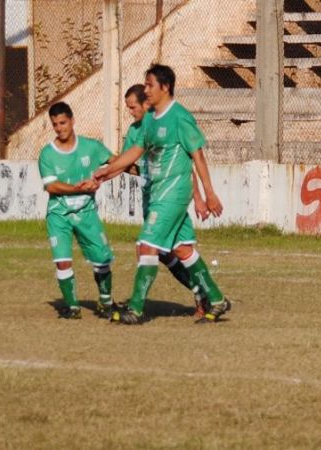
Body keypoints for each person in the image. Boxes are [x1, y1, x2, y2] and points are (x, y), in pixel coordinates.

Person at [95, 64, 229, 325]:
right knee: (182, 250)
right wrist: (105, 173)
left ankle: (135, 308)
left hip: (174, 192)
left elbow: (197, 155)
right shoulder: (150, 119)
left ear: (165, 87)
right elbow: (135, 152)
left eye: (149, 85)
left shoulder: (180, 117)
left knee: (146, 245)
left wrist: (209, 194)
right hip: (157, 192)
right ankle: (215, 298)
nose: (145, 90)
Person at [123, 83, 210, 318]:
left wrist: (200, 198)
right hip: (150, 199)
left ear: (146, 103)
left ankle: (138, 307)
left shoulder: (166, 124)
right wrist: (114, 166)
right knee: (171, 251)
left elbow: (184, 166)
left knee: (150, 249)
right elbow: (128, 164)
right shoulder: (134, 132)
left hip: (169, 197)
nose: (131, 112)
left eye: (133, 107)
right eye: (128, 108)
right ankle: (205, 294)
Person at [38, 102, 116, 319]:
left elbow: (116, 163)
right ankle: (73, 308)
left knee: (102, 259)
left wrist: (106, 175)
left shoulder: (91, 147)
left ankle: (106, 302)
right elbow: (51, 186)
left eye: (63, 123)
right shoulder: (47, 154)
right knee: (63, 261)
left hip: (86, 212)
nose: (59, 128)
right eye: (55, 124)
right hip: (58, 214)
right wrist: (77, 188)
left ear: (72, 121)